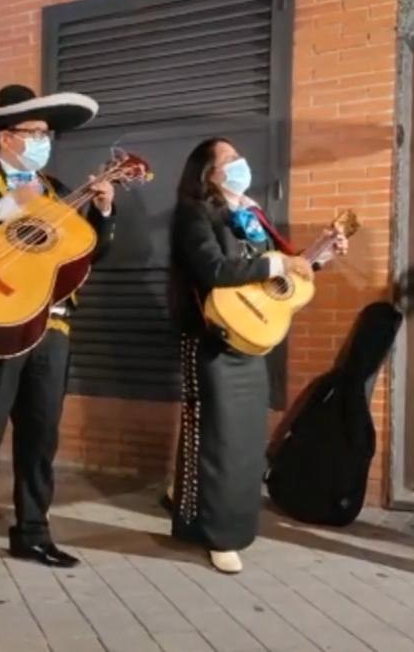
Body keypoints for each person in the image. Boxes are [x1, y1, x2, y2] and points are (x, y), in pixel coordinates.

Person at [0, 84, 116, 582]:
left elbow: (85, 254)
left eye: (46, 134)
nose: (42, 142)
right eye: (33, 133)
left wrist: (102, 212)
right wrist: (8, 205)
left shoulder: (57, 190)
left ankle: (33, 533)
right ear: (5, 136)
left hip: (52, 324)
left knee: (41, 439)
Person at [167, 137, 345, 573]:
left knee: (245, 438)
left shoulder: (250, 214)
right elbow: (213, 269)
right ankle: (214, 532)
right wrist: (282, 265)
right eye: (229, 159)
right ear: (208, 173)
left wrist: (318, 257)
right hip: (211, 334)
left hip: (252, 335)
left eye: (239, 156)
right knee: (215, 438)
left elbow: (280, 278)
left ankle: (230, 519)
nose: (240, 163)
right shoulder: (195, 212)